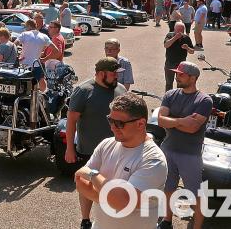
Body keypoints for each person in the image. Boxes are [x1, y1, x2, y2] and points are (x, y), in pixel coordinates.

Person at [74, 93, 168, 229]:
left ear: (141, 123)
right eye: (110, 120)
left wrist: (93, 174)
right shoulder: (106, 145)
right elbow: (80, 184)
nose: (112, 127)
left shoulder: (154, 160)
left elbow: (121, 202)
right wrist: (111, 198)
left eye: (119, 123)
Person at [66, 57, 128, 229]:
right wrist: (69, 148)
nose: (117, 77)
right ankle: (85, 220)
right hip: (89, 150)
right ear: (101, 74)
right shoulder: (84, 91)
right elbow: (71, 120)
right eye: (113, 74)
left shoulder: (121, 90)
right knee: (87, 184)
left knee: (112, 184)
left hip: (117, 150)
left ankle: (110, 218)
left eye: (117, 73)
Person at [157, 62, 213, 229]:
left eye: (181, 74)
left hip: (190, 154)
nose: (177, 77)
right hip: (168, 149)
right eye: (177, 73)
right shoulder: (170, 94)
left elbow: (193, 128)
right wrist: (182, 121)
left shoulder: (204, 100)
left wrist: (171, 122)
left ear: (193, 77)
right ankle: (166, 221)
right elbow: (160, 120)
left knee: (195, 194)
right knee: (167, 188)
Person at [16, 19, 53, 93]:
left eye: (26, 27)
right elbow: (56, 50)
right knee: (42, 81)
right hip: (36, 64)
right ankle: (44, 96)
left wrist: (17, 57)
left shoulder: (24, 34)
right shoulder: (43, 36)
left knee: (21, 84)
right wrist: (45, 58)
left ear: (29, 26)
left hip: (23, 64)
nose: (25, 29)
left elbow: (13, 45)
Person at [163, 22, 195, 91]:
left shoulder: (186, 38)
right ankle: (168, 98)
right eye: (178, 30)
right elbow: (166, 45)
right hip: (170, 63)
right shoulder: (169, 35)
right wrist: (175, 38)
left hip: (181, 65)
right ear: (174, 29)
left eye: (181, 30)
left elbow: (192, 51)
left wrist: (187, 48)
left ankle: (179, 98)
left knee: (181, 84)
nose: (180, 32)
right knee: (169, 83)